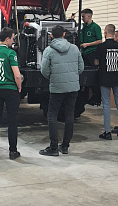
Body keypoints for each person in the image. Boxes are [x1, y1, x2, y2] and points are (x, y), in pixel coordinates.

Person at [39, 25, 84, 156]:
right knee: (69, 115)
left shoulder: (49, 50)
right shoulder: (75, 48)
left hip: (57, 87)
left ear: (51, 35)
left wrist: (53, 77)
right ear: (64, 34)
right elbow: (80, 68)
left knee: (52, 115)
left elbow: (44, 70)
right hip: (73, 87)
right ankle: (65, 146)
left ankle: (53, 148)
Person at [0, 27, 22, 160]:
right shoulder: (11, 53)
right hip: (10, 89)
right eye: (12, 38)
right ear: (7, 39)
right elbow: (17, 75)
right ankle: (13, 151)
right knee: (12, 120)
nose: (13, 41)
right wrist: (19, 88)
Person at [94, 24, 118, 140]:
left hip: (104, 78)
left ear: (105, 32)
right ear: (114, 33)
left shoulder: (101, 47)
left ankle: (107, 132)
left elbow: (96, 62)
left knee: (106, 105)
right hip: (116, 77)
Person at [80, 8, 102, 105]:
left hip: (92, 53)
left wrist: (88, 44)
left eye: (83, 17)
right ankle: (84, 98)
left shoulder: (95, 27)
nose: (82, 19)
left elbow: (100, 40)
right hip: (84, 53)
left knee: (93, 76)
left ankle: (96, 97)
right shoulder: (83, 27)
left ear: (88, 16)